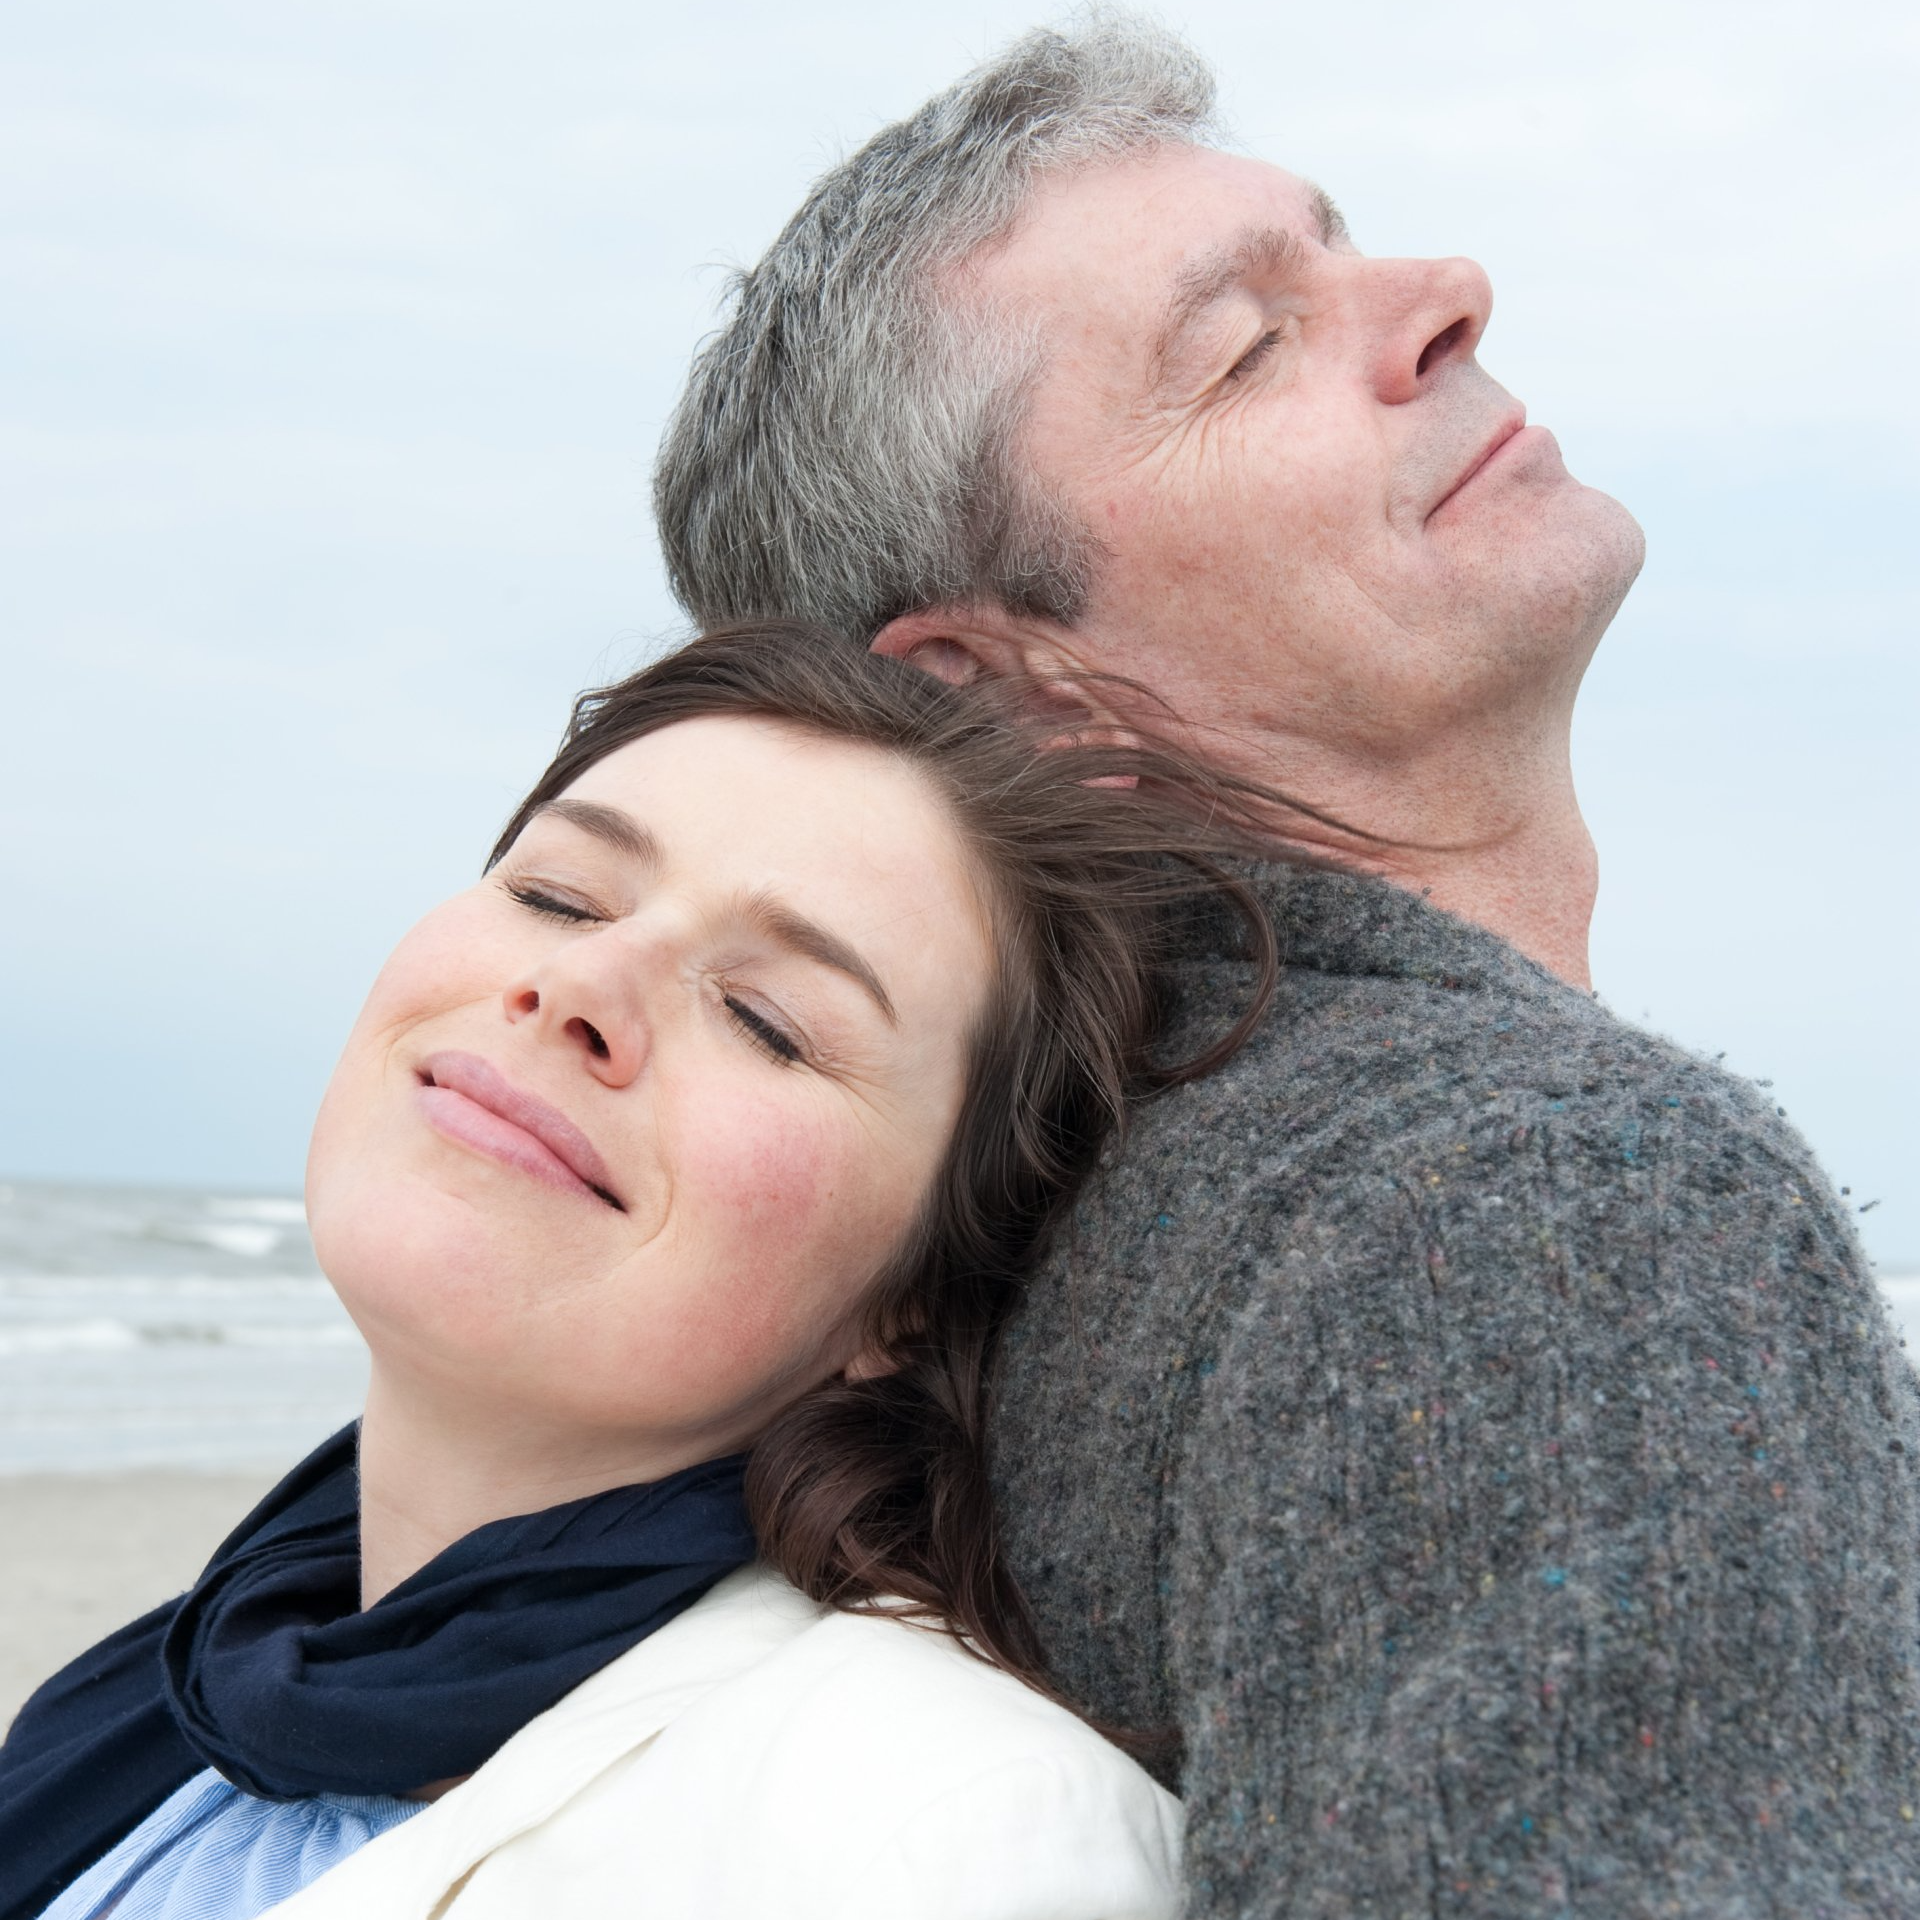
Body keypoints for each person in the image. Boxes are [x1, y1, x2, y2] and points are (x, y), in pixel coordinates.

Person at [653, 17, 1920, 1915]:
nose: (1446, 295)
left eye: (1343, 246)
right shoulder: (1536, 1203)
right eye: (1245, 344)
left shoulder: (1038, 1236)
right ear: (996, 694)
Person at [0, 626, 1288, 1920]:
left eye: (765, 1021)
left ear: (911, 1297)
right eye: (556, 894)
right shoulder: (163, 1698)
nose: (576, 980)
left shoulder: (939, 1845)